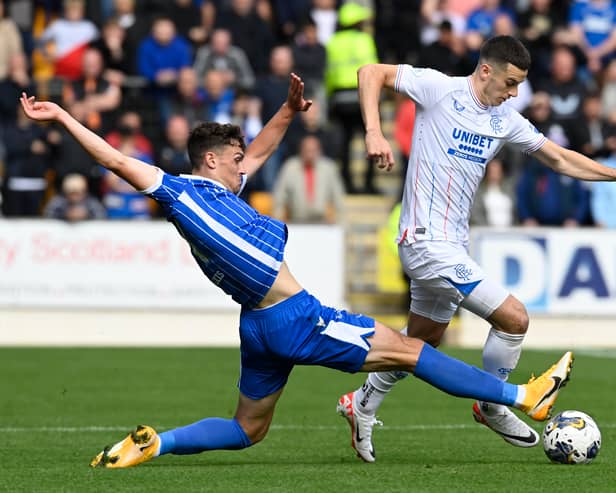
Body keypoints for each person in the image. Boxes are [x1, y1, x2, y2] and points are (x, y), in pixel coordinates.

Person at [19, 74, 572, 469]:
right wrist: (65, 115)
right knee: (410, 351)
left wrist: (287, 111)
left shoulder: (219, 188)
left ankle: (155, 443)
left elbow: (260, 148)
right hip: (295, 317)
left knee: (247, 430)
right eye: (236, 158)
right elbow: (114, 160)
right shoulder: (179, 191)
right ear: (211, 159)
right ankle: (522, 397)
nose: (246, 164)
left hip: (258, 328)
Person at [337, 35, 616, 463]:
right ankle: (494, 403)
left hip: (454, 245)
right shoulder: (439, 88)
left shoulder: (506, 118)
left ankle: (362, 403)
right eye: (510, 82)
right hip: (425, 242)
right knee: (514, 317)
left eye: (520, 84)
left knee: (420, 345)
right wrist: (375, 133)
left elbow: (560, 159)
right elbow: (370, 72)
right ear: (485, 70)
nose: (514, 93)